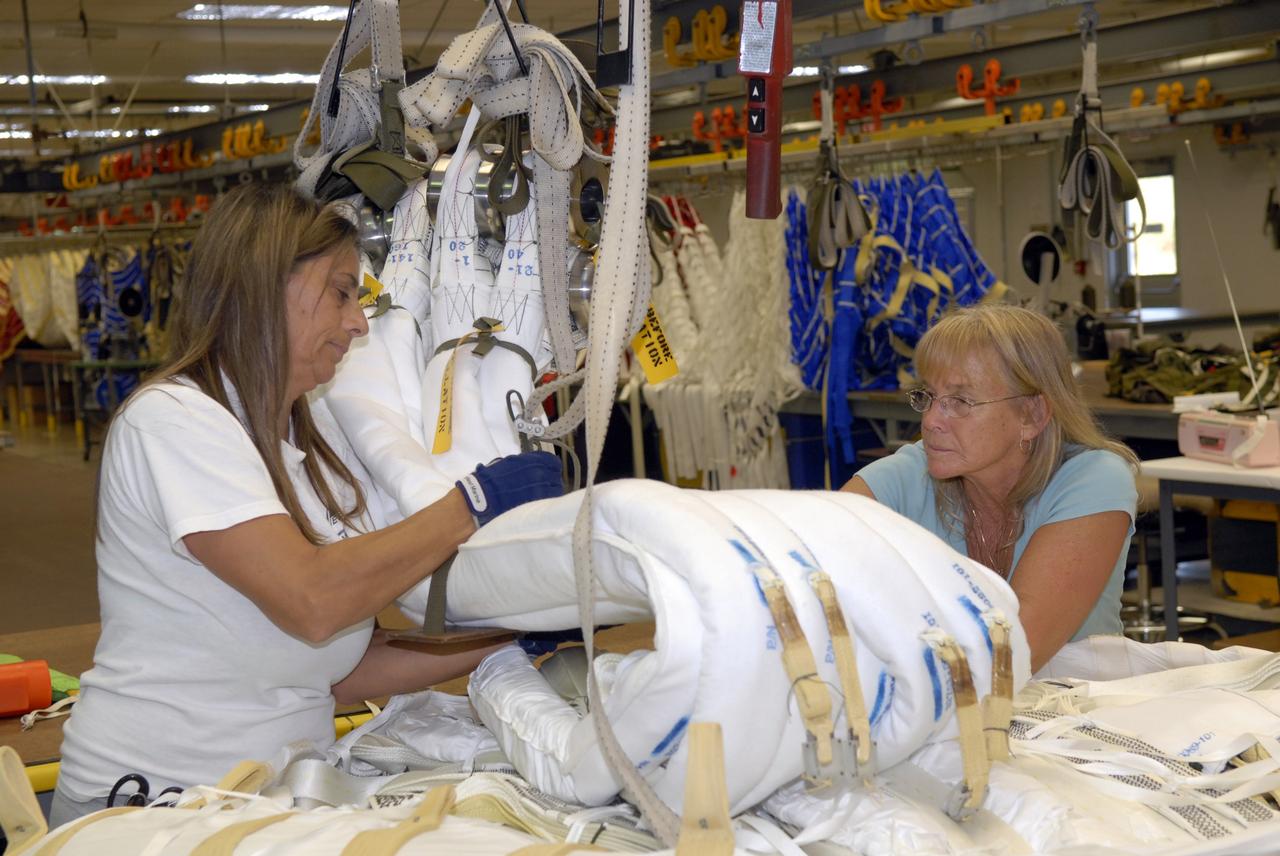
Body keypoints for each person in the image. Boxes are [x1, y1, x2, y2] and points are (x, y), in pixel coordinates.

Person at [51, 184, 563, 825]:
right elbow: (314, 603)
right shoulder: (174, 422)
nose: (357, 321)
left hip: (268, 801)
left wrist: (514, 637)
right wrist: (474, 502)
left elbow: (337, 668)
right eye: (342, 292)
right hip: (152, 807)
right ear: (265, 288)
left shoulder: (308, 446)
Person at [842, 304, 1138, 672]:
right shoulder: (910, 473)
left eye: (960, 402)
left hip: (1078, 714)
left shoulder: (1093, 479)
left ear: (1031, 416)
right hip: (948, 707)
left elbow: (1015, 650)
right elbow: (803, 556)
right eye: (928, 397)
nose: (931, 421)